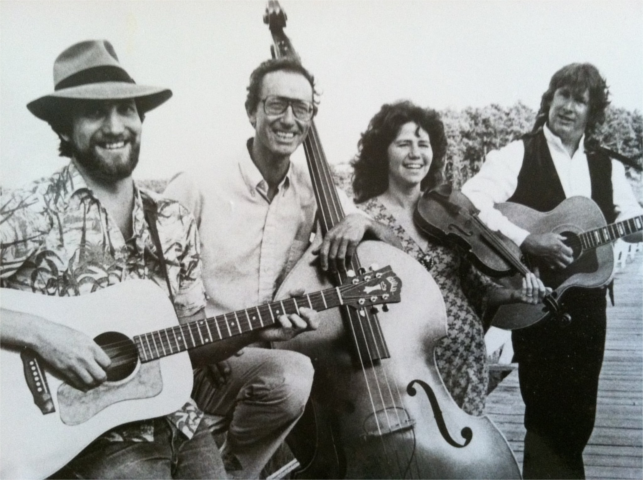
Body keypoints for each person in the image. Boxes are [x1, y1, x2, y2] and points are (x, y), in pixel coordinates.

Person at [0, 40, 319, 480]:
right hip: (80, 439)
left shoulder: (171, 220)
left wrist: (255, 326)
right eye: (95, 113)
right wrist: (42, 334)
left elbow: (188, 346)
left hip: (175, 416)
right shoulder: (27, 212)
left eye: (126, 110)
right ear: (64, 128)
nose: (115, 126)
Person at [164, 57, 399, 479]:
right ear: (251, 110)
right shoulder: (197, 184)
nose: (289, 119)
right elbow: (148, 271)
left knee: (294, 377)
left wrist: (362, 222)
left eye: (302, 108)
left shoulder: (314, 189)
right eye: (276, 105)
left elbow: (393, 243)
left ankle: (234, 471)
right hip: (192, 354)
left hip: (260, 358)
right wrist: (192, 329)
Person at [462, 63, 643, 479]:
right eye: (562, 95)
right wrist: (528, 239)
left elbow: (631, 220)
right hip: (534, 300)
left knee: (580, 419)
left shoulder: (606, 165)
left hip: (588, 304)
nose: (568, 106)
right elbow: (471, 201)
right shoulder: (518, 153)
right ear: (549, 100)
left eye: (579, 99)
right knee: (544, 419)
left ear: (592, 111)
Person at [350, 100, 547, 415]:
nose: (416, 153)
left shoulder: (449, 212)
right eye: (403, 144)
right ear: (382, 152)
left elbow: (477, 289)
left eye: (423, 144)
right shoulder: (364, 217)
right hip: (405, 369)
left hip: (464, 363)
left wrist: (516, 293)